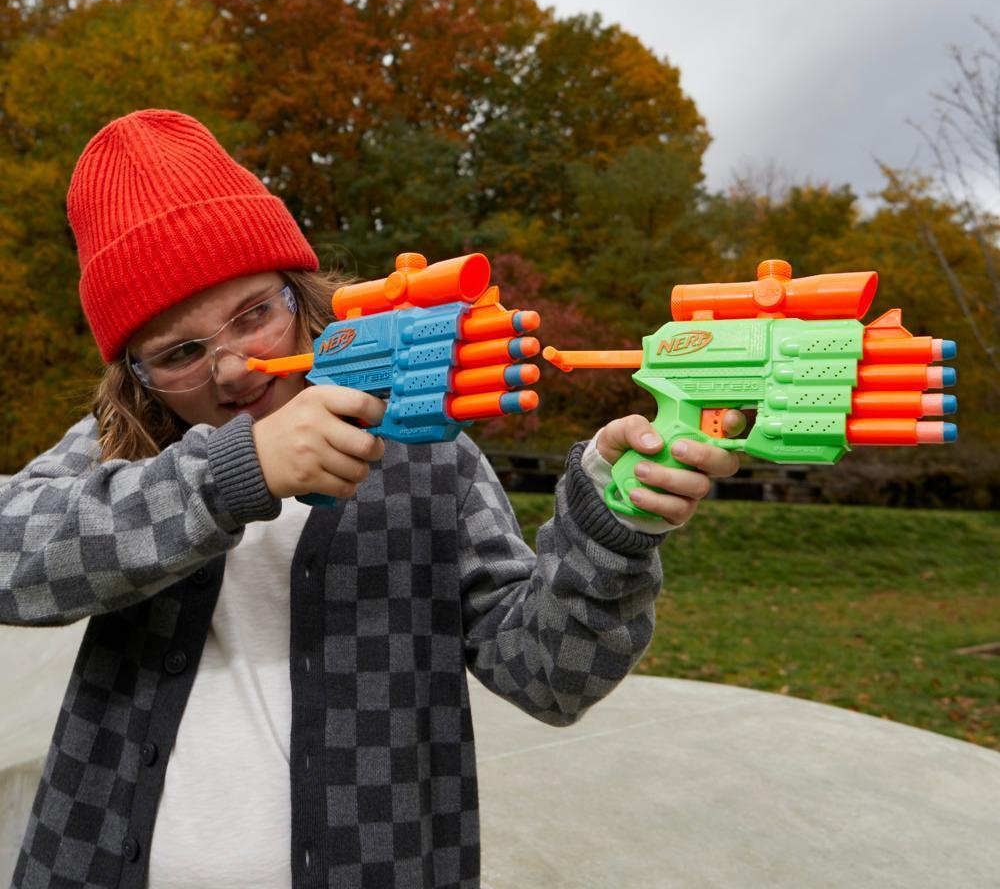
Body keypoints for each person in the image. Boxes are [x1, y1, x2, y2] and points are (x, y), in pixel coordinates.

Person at [1, 109, 740, 889]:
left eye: (255, 314)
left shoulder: (428, 451)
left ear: (302, 294)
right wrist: (234, 473)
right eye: (181, 354)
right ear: (135, 376)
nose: (236, 371)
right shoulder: (126, 442)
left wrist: (609, 527)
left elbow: (546, 677)